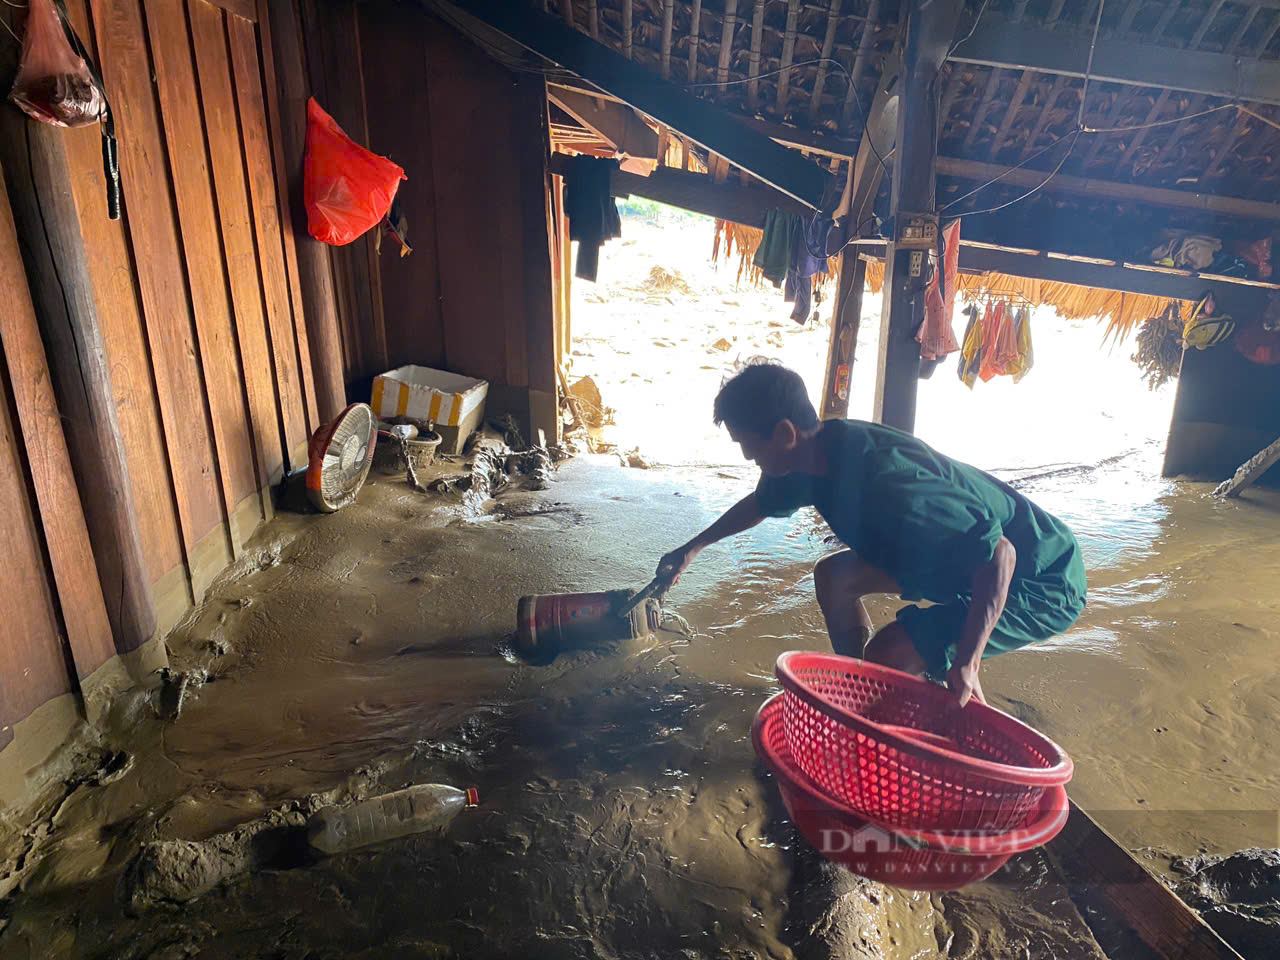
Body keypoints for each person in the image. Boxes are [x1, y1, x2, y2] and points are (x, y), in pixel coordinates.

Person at [656, 363, 1086, 706]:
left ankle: (914, 695)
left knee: (893, 651)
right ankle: (862, 694)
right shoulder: (809, 458)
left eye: (747, 445)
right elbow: (760, 504)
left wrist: (970, 660)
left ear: (785, 433)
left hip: (1040, 579)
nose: (748, 456)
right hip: (953, 559)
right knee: (835, 577)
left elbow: (1001, 557)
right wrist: (692, 548)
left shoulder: (890, 480)